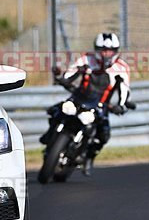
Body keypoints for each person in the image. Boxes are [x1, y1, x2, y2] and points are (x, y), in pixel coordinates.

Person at [40, 32, 131, 175]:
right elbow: (70, 73)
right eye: (103, 50)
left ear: (115, 51)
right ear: (97, 50)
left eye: (110, 51)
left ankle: (88, 157)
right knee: (56, 110)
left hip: (100, 106)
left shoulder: (122, 68)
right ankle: (49, 136)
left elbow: (124, 90)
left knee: (103, 135)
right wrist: (63, 79)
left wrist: (122, 105)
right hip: (79, 98)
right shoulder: (86, 59)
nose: (106, 54)